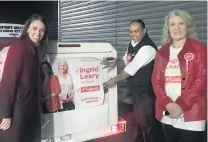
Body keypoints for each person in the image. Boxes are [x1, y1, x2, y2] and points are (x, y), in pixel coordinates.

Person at [151, 10, 207, 142]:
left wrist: (182, 104)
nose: (177, 28)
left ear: (187, 26)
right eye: (172, 24)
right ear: (168, 28)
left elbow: (202, 78)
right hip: (167, 110)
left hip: (192, 112)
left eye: (181, 23)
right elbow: (156, 80)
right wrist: (166, 103)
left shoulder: (199, 48)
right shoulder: (162, 52)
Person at [102, 19, 158, 142]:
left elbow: (130, 69)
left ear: (144, 30)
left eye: (136, 31)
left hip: (146, 94)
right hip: (137, 92)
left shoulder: (147, 48)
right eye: (131, 32)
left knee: (146, 124)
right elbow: (125, 59)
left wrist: (113, 80)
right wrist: (114, 63)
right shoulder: (133, 44)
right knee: (139, 123)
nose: (133, 34)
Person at [0, 14, 47, 142]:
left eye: (42, 30)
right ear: (27, 29)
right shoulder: (19, 47)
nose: (38, 33)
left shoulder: (36, 51)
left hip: (29, 114)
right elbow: (9, 81)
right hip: (17, 115)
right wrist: (6, 114)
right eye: (34, 28)